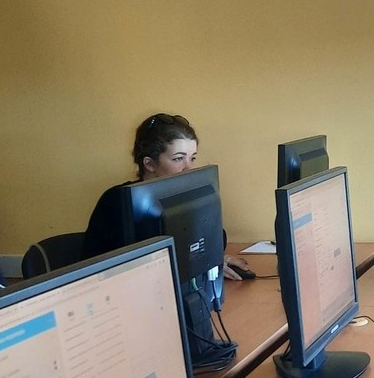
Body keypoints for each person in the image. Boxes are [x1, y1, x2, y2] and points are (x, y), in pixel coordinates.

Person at [81, 113, 252, 277]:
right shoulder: (117, 202)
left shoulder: (184, 195)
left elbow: (214, 238)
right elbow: (102, 267)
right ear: (149, 164)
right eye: (178, 159)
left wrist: (212, 260)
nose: (188, 168)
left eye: (192, 158)